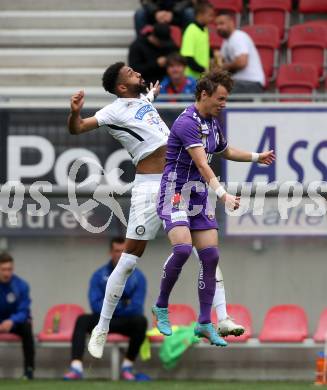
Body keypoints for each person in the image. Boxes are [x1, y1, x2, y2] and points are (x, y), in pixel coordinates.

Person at [67, 62, 244, 360]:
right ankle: (101, 327)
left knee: (208, 252)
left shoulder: (143, 101)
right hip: (150, 187)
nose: (137, 72)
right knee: (128, 260)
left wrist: (151, 97)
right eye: (130, 74)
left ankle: (222, 316)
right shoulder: (113, 110)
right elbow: (78, 129)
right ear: (121, 87)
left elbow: (145, 115)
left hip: (181, 182)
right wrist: (74, 112)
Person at [153, 71, 275, 344]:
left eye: (226, 99)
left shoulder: (212, 122)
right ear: (204, 95)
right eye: (220, 99)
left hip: (197, 196)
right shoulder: (187, 122)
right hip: (175, 192)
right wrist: (222, 194)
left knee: (210, 257)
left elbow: (225, 150)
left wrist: (257, 156)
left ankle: (205, 322)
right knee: (183, 249)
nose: (224, 104)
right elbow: (202, 163)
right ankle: (161, 305)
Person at [64, 237, 149, 381]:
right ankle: (76, 368)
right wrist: (121, 304)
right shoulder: (99, 275)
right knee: (82, 320)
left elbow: (136, 307)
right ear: (111, 252)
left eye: (123, 251)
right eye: (117, 251)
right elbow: (95, 304)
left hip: (124, 321)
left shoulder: (138, 277)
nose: (120, 254)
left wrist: (111, 305)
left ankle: (127, 367)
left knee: (141, 321)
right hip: (102, 320)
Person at [0, 252, 35, 379]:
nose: (6, 273)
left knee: (27, 326)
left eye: (9, 269)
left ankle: (29, 370)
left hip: (15, 323)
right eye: (3, 269)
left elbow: (24, 310)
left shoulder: (21, 285)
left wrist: (12, 321)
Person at [216, 10, 265, 93]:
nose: (218, 27)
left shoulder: (238, 37)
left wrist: (225, 67)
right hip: (239, 83)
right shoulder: (226, 42)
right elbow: (220, 62)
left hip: (251, 83)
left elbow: (242, 62)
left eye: (222, 23)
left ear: (231, 23)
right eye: (217, 24)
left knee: (218, 94)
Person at [180, 1, 215, 79]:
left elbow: (205, 46)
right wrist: (204, 70)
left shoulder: (205, 29)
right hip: (191, 78)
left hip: (201, 77)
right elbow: (188, 58)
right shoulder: (191, 30)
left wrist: (212, 56)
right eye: (210, 15)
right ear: (200, 14)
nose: (212, 18)